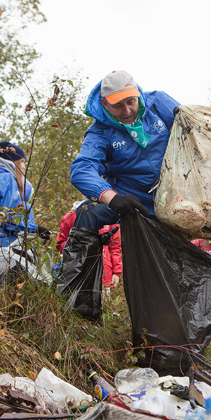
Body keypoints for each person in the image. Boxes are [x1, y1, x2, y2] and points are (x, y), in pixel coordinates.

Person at [63, 70, 178, 283]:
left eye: (131, 102)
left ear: (138, 95)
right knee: (87, 212)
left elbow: (192, 125)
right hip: (131, 198)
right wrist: (112, 198)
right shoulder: (100, 132)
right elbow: (81, 169)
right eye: (118, 105)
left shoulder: (157, 103)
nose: (127, 111)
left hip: (175, 193)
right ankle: (80, 298)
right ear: (105, 104)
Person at [0, 141, 43, 255]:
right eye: (22, 161)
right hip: (1, 247)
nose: (23, 166)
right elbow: (8, 216)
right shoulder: (5, 179)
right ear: (14, 162)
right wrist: (35, 229)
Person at [56, 201, 123, 289]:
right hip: (77, 271)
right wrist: (79, 245)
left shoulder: (109, 216)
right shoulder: (71, 217)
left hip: (105, 274)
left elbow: (115, 247)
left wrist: (116, 272)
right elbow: (61, 243)